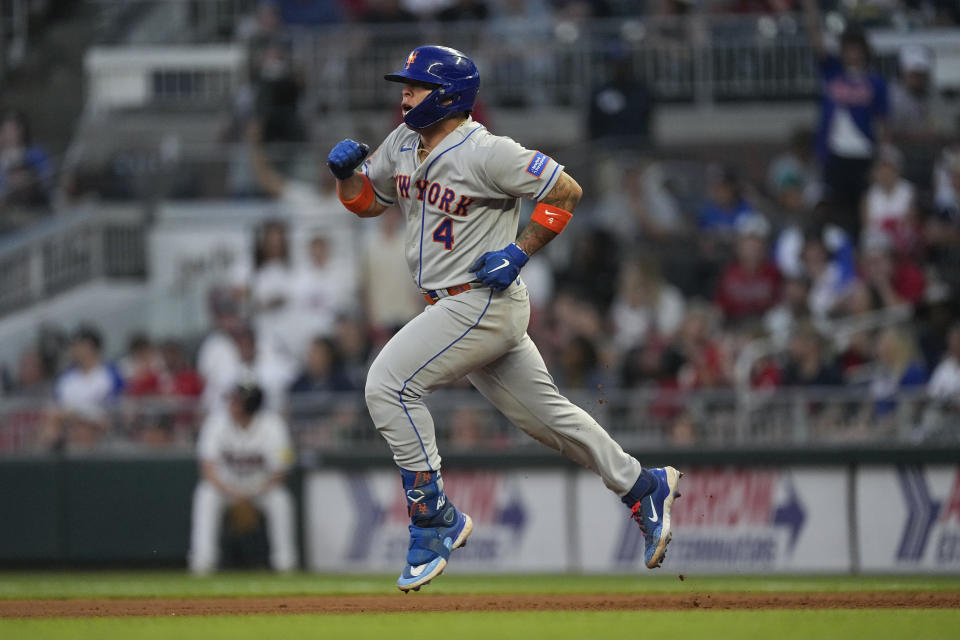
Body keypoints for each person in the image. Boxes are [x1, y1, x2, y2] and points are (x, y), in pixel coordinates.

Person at [326, 45, 681, 592]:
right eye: (405, 84)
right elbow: (369, 203)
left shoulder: (487, 151)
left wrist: (520, 250)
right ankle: (642, 485)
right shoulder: (402, 142)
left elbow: (565, 190)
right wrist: (347, 177)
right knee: (548, 420)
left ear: (447, 95)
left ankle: (433, 519)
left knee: (388, 385)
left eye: (415, 86)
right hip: (452, 305)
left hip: (481, 300)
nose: (404, 93)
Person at [189, 380, 297, 574]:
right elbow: (207, 469)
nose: (231, 404)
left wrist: (252, 494)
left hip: (261, 488)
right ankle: (203, 562)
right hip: (226, 488)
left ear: (250, 404)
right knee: (206, 495)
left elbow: (280, 473)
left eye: (237, 400)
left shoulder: (273, 425)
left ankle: (285, 563)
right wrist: (235, 494)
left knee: (280, 500)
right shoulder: (216, 422)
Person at [802, 0, 889, 240]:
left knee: (862, 209)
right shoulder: (832, 71)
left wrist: (881, 157)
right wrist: (810, 8)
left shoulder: (875, 82)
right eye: (848, 48)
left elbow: (882, 123)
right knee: (831, 207)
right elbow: (816, 40)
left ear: (864, 50)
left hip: (863, 153)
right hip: (834, 154)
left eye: (856, 48)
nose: (852, 53)